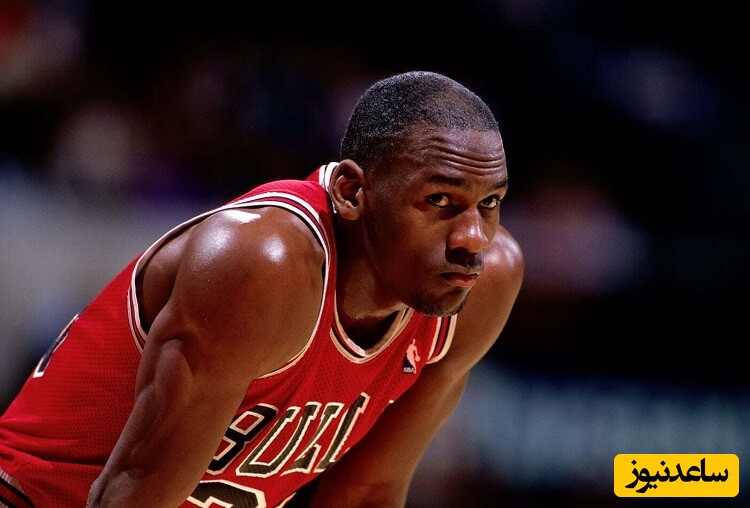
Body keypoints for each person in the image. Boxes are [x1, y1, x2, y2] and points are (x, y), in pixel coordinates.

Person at [0, 70, 524, 508]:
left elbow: (367, 494)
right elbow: (134, 490)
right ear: (351, 192)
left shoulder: (482, 283)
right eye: (439, 201)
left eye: (490, 203)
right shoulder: (263, 265)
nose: (472, 238)